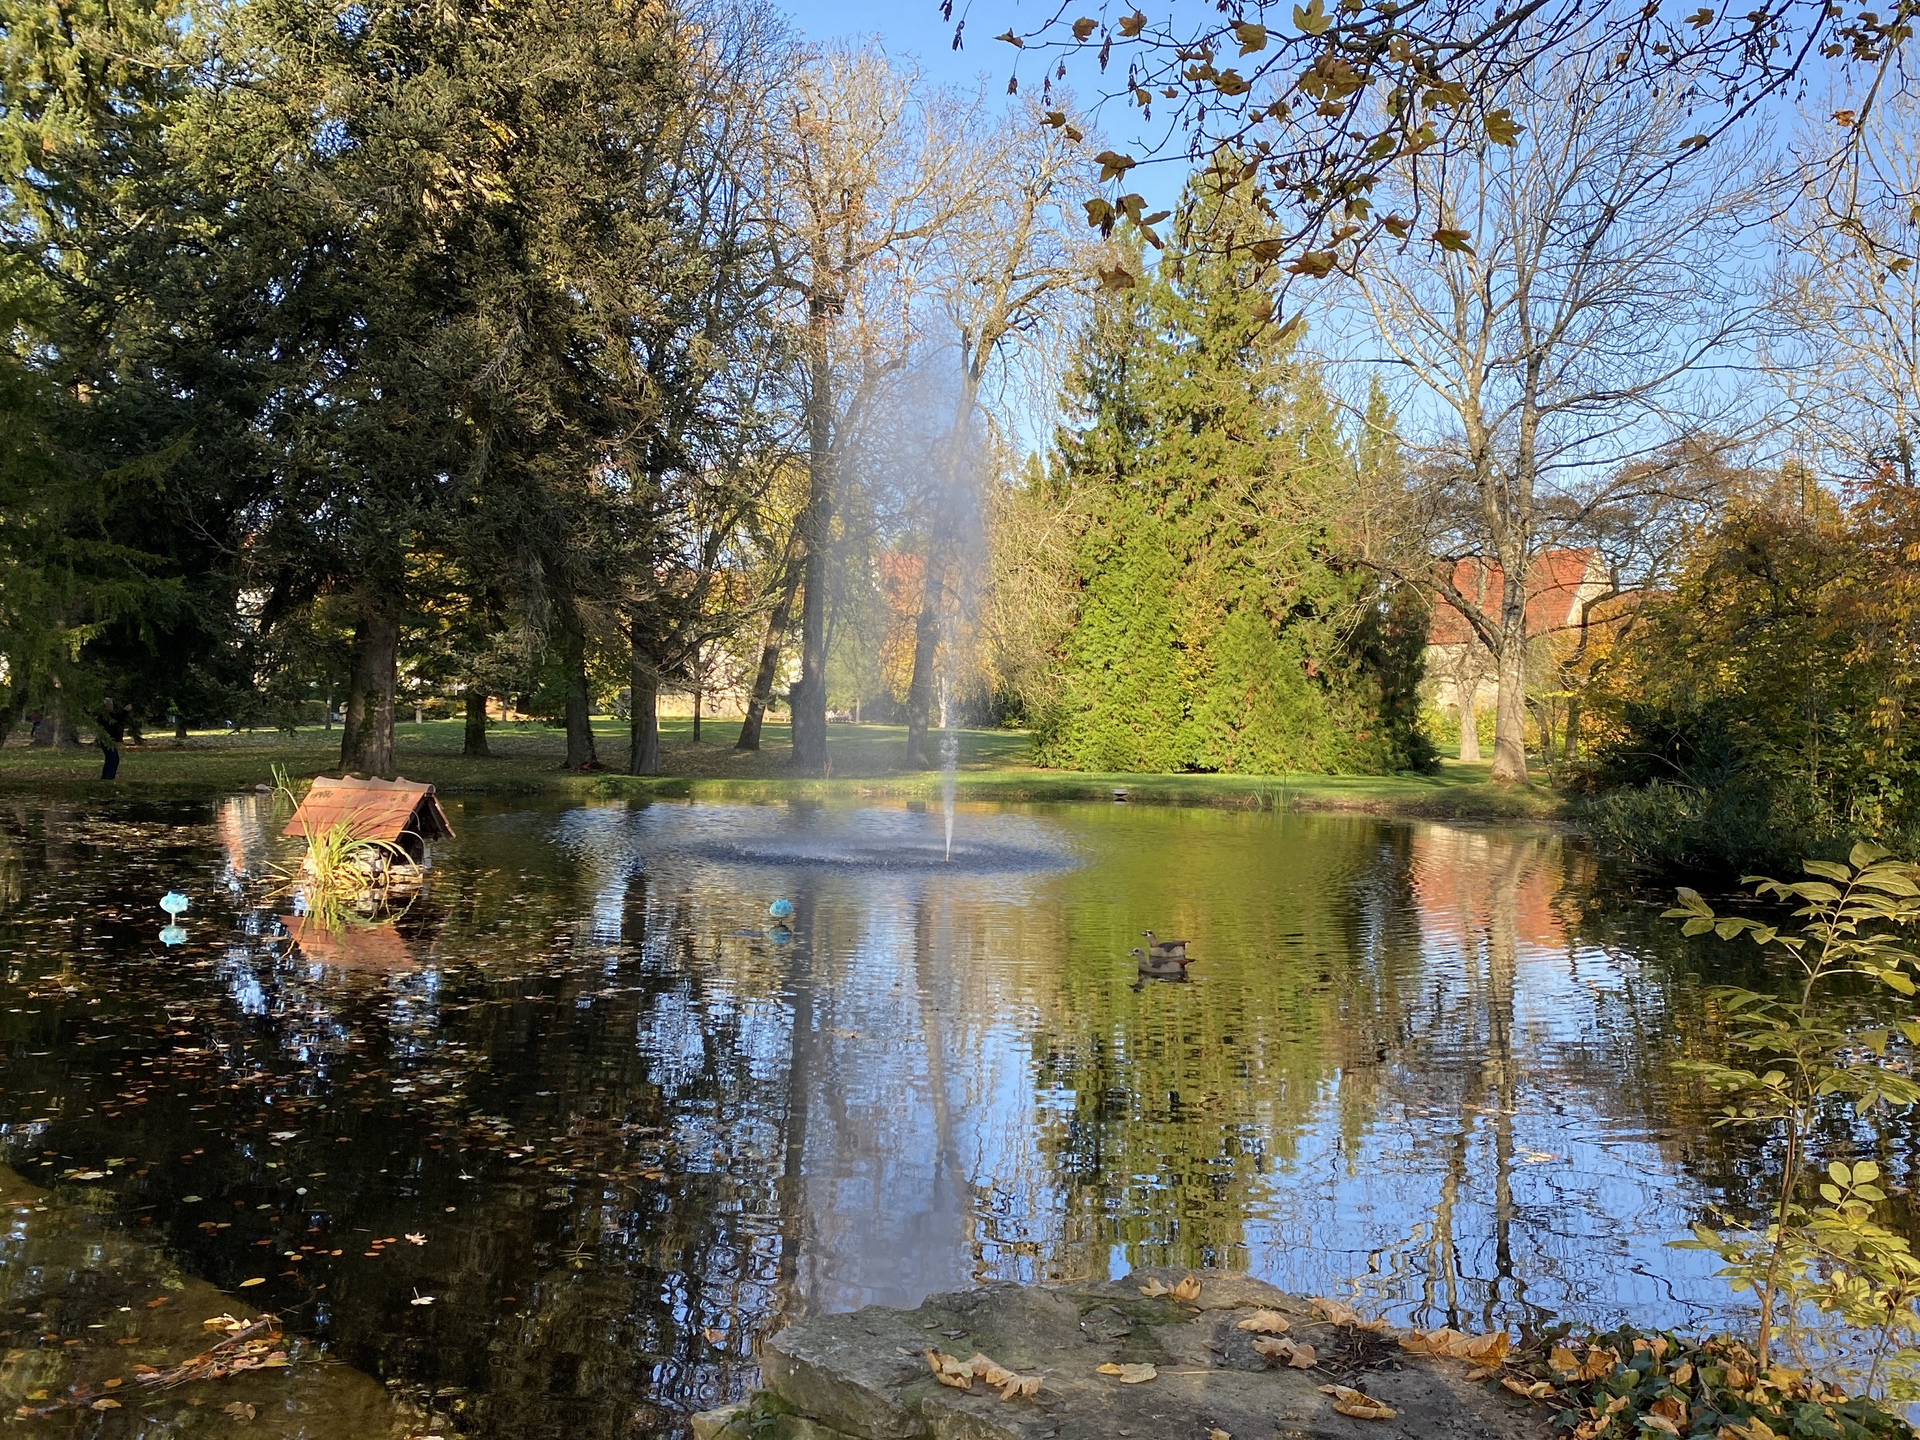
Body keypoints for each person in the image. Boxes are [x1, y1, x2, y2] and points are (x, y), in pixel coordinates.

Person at [95, 697, 126, 780]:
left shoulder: (110, 715)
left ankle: (107, 777)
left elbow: (118, 718)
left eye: (112, 704)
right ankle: (108, 777)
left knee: (112, 759)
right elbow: (117, 719)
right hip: (107, 741)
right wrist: (125, 711)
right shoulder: (104, 717)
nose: (112, 706)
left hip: (111, 741)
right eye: (110, 704)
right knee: (112, 759)